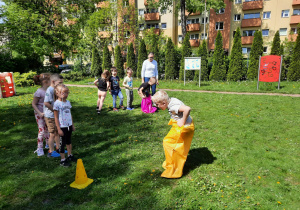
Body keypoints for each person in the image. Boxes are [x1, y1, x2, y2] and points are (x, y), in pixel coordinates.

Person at [151, 90, 194, 178]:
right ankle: (171, 162)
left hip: (184, 128)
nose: (156, 106)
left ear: (163, 103)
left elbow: (187, 109)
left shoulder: (173, 107)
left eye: (157, 104)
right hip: (184, 126)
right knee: (169, 143)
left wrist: (182, 120)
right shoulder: (172, 100)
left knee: (172, 145)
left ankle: (175, 169)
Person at [53, 84, 77, 167]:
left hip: (68, 125)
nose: (66, 95)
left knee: (69, 141)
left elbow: (70, 114)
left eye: (67, 93)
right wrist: (58, 129)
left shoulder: (68, 102)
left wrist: (72, 125)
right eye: (64, 93)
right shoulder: (57, 104)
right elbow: (55, 117)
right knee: (62, 143)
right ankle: (62, 160)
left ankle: (70, 155)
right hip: (62, 126)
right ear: (57, 93)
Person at [44, 74, 64, 158]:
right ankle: (51, 151)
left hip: (55, 115)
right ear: (53, 82)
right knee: (52, 134)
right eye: (60, 83)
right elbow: (46, 103)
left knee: (57, 133)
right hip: (50, 116)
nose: (61, 85)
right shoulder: (50, 90)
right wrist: (54, 110)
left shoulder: (55, 89)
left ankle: (58, 149)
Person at [32, 73, 51, 156]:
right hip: (39, 114)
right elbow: (33, 104)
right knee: (42, 131)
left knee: (48, 129)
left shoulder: (49, 90)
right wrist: (39, 113)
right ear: (45, 81)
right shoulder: (39, 92)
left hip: (47, 113)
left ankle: (47, 144)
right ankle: (39, 148)